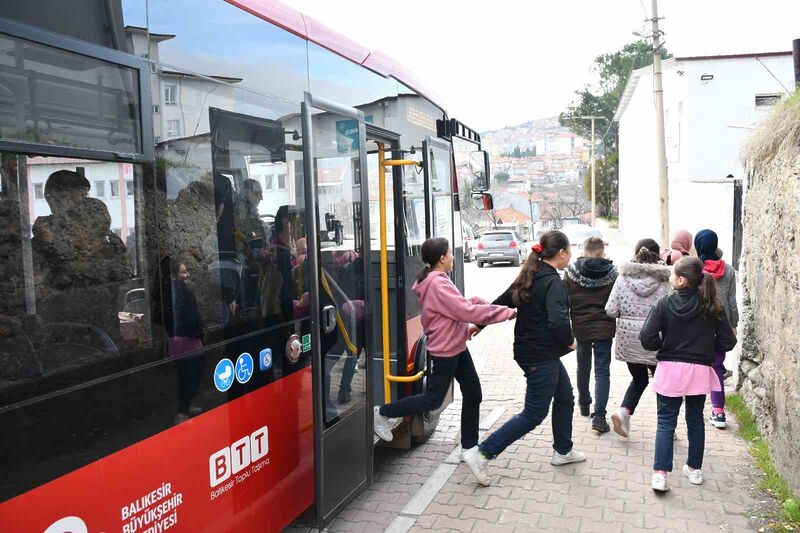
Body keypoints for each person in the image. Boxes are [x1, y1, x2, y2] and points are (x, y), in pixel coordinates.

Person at [463, 230, 586, 487]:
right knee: (533, 413)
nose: (570, 256)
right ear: (561, 253)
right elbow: (558, 321)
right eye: (569, 252)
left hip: (535, 352)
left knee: (565, 396)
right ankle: (482, 452)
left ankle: (563, 450)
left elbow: (499, 302)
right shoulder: (553, 283)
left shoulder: (531, 275)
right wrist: (570, 341)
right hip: (540, 356)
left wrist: (479, 325)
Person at [373, 237, 515, 451]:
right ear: (442, 258)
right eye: (449, 253)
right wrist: (505, 312)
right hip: (445, 351)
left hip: (455, 346)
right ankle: (382, 413)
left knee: (473, 392)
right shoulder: (437, 283)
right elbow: (465, 312)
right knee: (432, 400)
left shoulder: (437, 278)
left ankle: (469, 447)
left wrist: (475, 299)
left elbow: (455, 307)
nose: (452, 257)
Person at [640, 257, 737, 492]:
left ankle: (660, 475)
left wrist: (666, 344)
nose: (671, 277)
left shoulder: (664, 304)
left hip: (670, 370)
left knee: (665, 421)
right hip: (699, 371)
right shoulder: (712, 305)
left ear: (682, 280)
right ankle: (694, 469)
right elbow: (728, 340)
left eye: (673, 273)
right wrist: (707, 347)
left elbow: (646, 338)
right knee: (695, 420)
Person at [606, 239, 671, 438]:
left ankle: (623, 412)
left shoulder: (623, 278)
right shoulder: (665, 280)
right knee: (663, 383)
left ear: (636, 253)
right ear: (658, 255)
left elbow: (610, 310)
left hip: (628, 340)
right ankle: (667, 427)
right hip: (655, 340)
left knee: (639, 379)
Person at [563, 236, 617, 433]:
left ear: (583, 251)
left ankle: (584, 403)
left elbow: (565, 300)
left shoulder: (570, 273)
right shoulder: (613, 273)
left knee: (582, 366)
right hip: (605, 327)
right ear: (603, 253)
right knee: (602, 370)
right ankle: (600, 416)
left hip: (581, 326)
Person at [693, 230, 739, 429]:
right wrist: (734, 324)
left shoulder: (694, 269)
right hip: (721, 324)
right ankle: (718, 411)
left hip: (698, 325)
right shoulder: (728, 270)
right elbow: (731, 300)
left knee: (695, 366)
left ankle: (693, 408)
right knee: (717, 368)